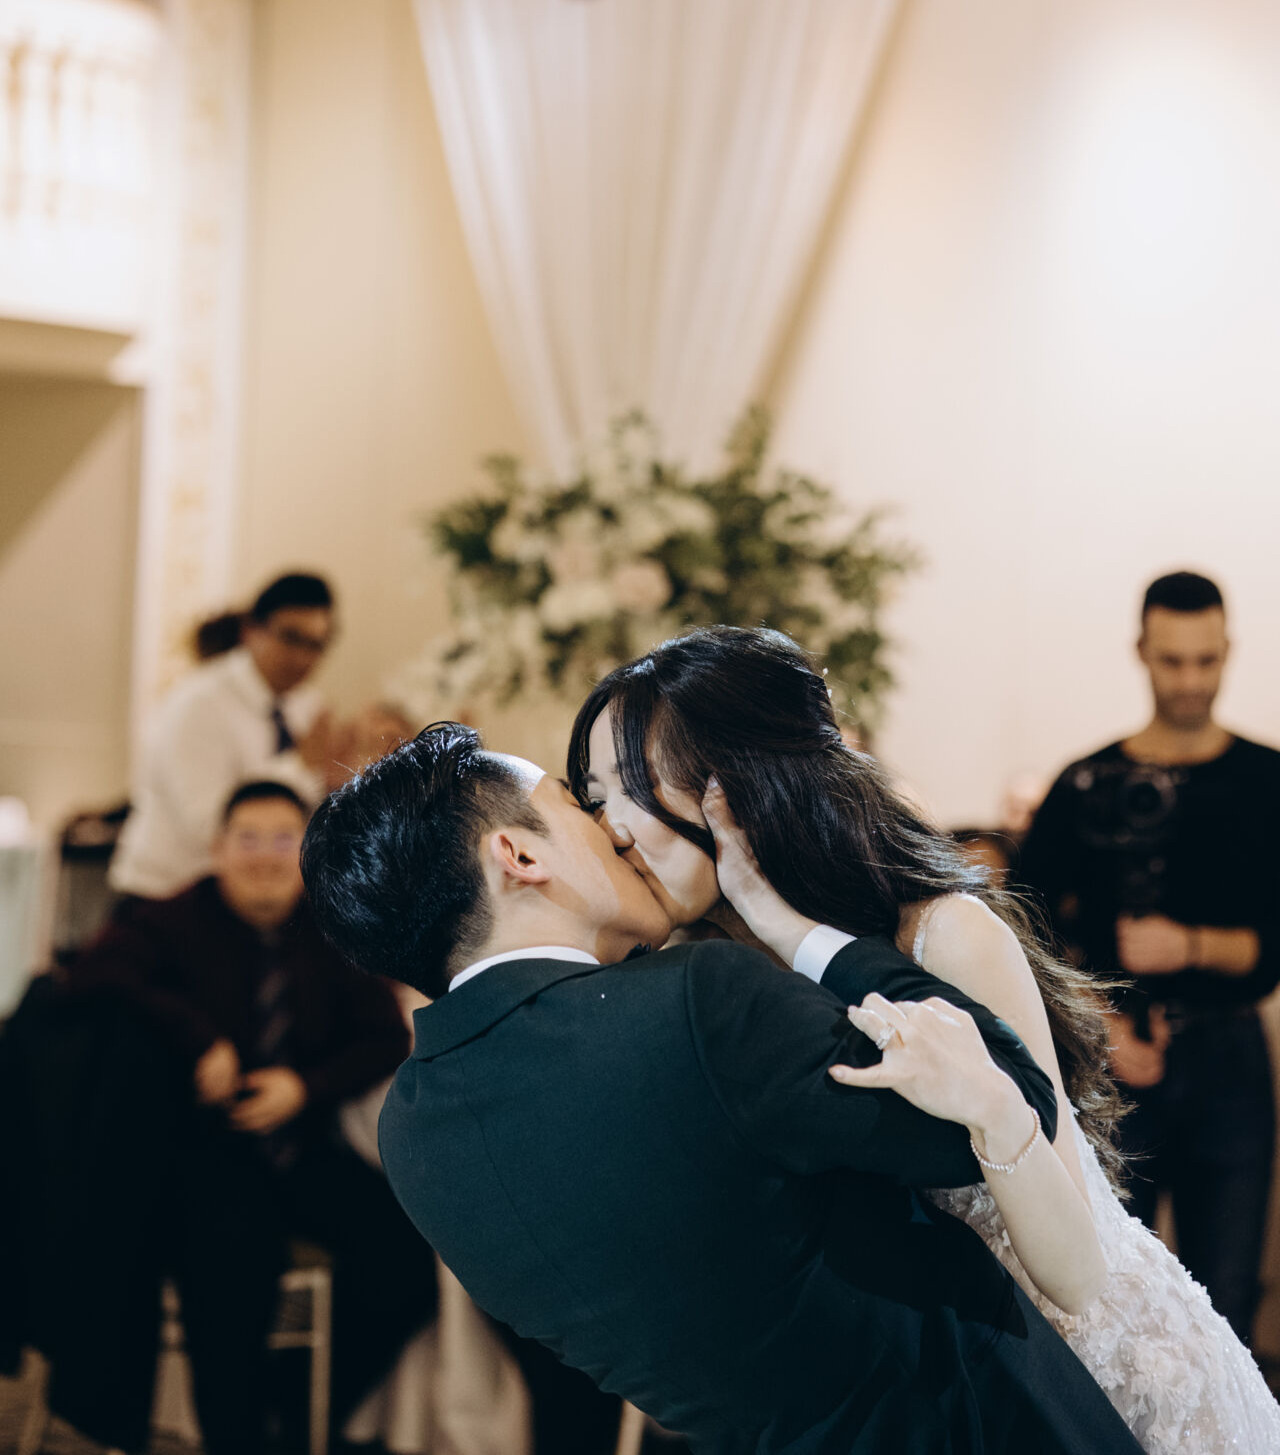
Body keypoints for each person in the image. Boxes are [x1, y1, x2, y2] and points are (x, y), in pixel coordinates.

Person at [301, 721, 1146, 1455]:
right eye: (575, 805)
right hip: (982, 1421)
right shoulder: (691, 1004)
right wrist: (795, 930)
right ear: (519, 855)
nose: (613, 831)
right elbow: (1004, 1093)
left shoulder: (412, 1133)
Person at [569, 624, 1280, 1454]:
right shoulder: (690, 980)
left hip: (1090, 1385)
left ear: (742, 784)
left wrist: (787, 927)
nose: (611, 827)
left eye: (635, 785)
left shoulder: (943, 938)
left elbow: (1077, 1273)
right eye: (593, 797)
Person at [62, 778, 437, 1455]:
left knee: (406, 1264)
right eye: (249, 839)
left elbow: (385, 1035)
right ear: (218, 849)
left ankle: (292, 1412)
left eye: (283, 840)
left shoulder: (327, 926)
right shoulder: (170, 920)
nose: (265, 856)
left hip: (302, 1144)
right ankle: (236, 1436)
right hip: (205, 1154)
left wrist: (305, 1087)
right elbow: (92, 978)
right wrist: (197, 1039)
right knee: (229, 1281)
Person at [1017, 569, 1280, 1348]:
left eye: (1207, 660)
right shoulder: (1085, 782)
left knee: (1227, 1305)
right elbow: (1022, 928)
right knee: (1107, 1305)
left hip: (1230, 1056)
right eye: (1173, 661)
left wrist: (1192, 945)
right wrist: (1099, 1025)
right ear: (1141, 651)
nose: (1191, 681)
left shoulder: (1267, 781)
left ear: (1229, 649)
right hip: (1109, 1062)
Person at [111, 570, 349, 899]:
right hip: (166, 895)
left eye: (316, 645)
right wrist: (300, 767)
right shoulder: (199, 704)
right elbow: (210, 827)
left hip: (252, 899)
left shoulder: (308, 706)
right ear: (251, 631)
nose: (303, 658)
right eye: (291, 638)